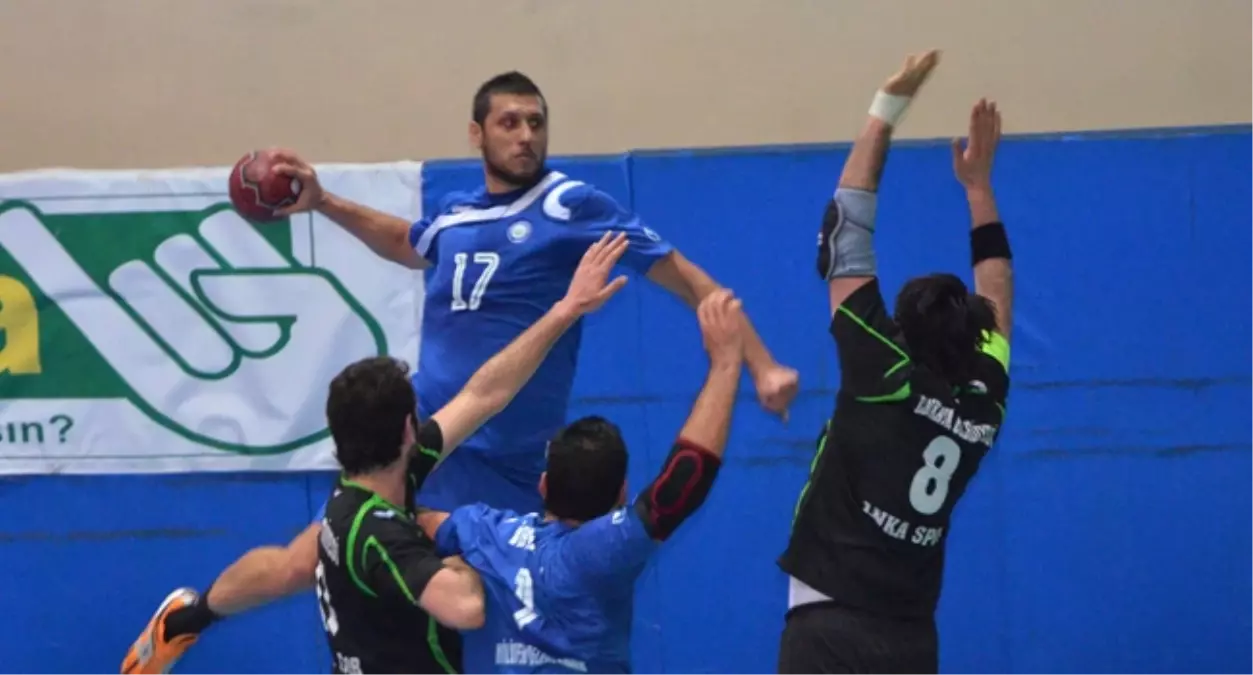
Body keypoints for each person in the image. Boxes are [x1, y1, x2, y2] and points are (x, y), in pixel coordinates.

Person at [122, 72, 798, 673]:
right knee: (306, 561)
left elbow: (684, 276)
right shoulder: (457, 211)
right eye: (509, 121)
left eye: (536, 122)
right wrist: (324, 203)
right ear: (477, 133)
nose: (526, 135)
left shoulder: (572, 205)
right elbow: (405, 242)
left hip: (508, 464)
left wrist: (762, 363)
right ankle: (188, 617)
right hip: (426, 440)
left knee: (509, 622)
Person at [775, 50, 1015, 675]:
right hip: (911, 638)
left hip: (828, 627)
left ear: (901, 334)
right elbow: (997, 297)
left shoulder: (884, 376)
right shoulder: (981, 409)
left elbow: (843, 235)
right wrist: (979, 187)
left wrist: (886, 109)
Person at [314, 232, 633, 675]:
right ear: (407, 429)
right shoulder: (374, 531)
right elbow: (467, 608)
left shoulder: (381, 478)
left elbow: (484, 394)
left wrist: (566, 309)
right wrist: (483, 547)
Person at [414, 289, 746, 674]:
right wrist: (726, 365)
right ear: (621, 492)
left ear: (543, 485)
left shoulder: (483, 530)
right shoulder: (601, 552)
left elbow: (417, 518)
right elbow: (679, 488)